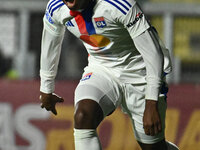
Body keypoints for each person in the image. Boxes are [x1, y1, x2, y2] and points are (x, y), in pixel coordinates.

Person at [39, 0, 179, 149]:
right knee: (83, 115)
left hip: (141, 73)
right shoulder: (56, 7)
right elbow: (50, 44)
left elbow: (153, 53)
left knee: (153, 147)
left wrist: (151, 102)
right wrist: (46, 89)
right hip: (102, 69)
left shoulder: (119, 4)